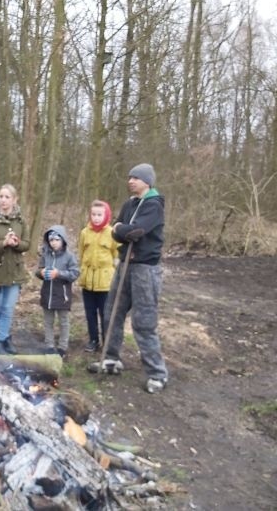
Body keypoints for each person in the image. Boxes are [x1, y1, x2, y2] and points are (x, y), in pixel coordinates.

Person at [103, 163, 168, 393]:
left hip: (145, 270)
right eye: (129, 177)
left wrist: (122, 229)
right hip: (124, 266)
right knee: (112, 313)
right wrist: (122, 229)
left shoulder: (154, 205)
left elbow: (136, 232)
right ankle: (110, 359)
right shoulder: (129, 204)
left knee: (144, 323)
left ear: (147, 182)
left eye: (136, 178)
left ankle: (157, 374)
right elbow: (117, 231)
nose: (130, 180)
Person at [0, 184, 30, 355]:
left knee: (8, 308)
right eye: (1, 196)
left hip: (15, 270)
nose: (3, 200)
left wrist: (16, 243)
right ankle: (6, 339)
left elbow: (27, 244)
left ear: (14, 200)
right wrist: (3, 243)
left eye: (7, 197)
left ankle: (0, 341)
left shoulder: (21, 221)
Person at [77, 200, 119, 353]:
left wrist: (112, 273)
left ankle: (106, 342)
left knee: (105, 314)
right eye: (93, 214)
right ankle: (93, 339)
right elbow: (81, 253)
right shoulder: (84, 233)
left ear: (106, 215)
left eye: (99, 215)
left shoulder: (112, 233)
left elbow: (116, 256)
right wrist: (83, 270)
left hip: (105, 282)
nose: (96, 218)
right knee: (90, 313)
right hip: (88, 281)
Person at [35, 225, 79, 357]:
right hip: (47, 294)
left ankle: (62, 347)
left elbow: (75, 273)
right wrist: (41, 272)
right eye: (51, 240)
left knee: (63, 321)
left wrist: (58, 274)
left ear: (63, 240)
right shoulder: (45, 255)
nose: (53, 242)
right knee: (48, 321)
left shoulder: (69, 257)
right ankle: (49, 345)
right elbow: (38, 270)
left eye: (56, 239)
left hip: (62, 295)